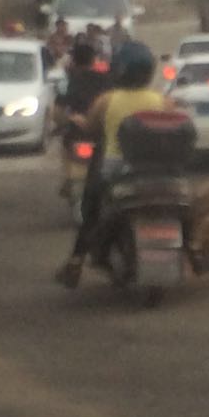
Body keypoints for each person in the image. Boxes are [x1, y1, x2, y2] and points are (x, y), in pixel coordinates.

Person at [55, 40, 171, 289]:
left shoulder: (106, 100)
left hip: (115, 171)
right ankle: (194, 248)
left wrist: (77, 120)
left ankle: (76, 261)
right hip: (157, 169)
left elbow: (89, 127)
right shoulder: (162, 101)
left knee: (91, 208)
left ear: (119, 69)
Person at [53, 40, 111, 199]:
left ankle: (68, 179)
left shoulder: (67, 82)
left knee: (65, 146)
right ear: (93, 60)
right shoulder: (107, 80)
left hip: (77, 133)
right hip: (103, 131)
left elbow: (57, 113)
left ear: (73, 61)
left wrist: (62, 123)